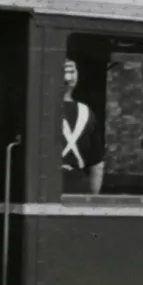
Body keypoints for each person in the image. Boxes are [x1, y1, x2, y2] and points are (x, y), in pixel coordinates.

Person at [59, 57, 104, 195]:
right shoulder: (87, 112)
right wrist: (93, 199)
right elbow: (97, 164)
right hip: (78, 186)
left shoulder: (40, 108)